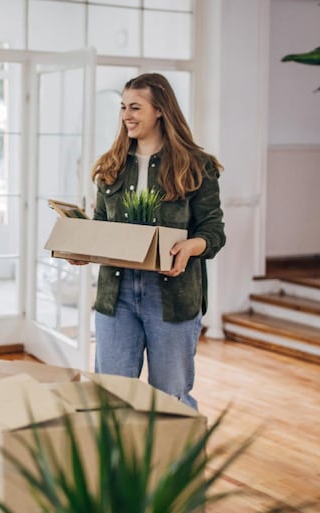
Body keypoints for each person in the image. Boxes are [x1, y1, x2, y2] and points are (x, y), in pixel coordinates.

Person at [71, 73, 225, 410]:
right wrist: (84, 248)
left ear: (160, 110)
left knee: (169, 398)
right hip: (117, 295)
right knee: (111, 397)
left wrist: (190, 247)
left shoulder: (196, 166)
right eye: (123, 107)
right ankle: (118, 465)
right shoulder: (111, 167)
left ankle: (176, 464)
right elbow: (102, 228)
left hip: (171, 297)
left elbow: (213, 231)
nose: (127, 114)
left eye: (135, 107)